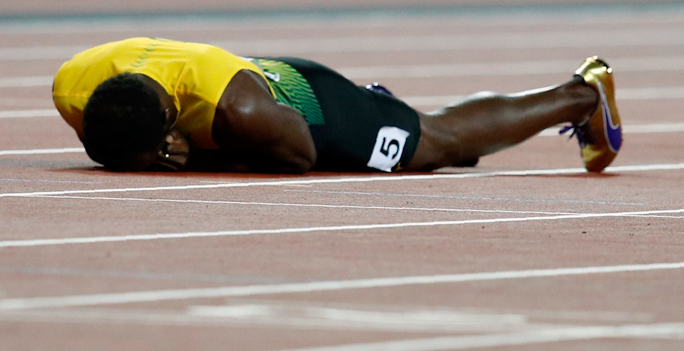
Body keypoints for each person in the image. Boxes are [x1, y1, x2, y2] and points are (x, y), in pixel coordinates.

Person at [52, 37, 620, 174]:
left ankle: (580, 95)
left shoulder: (238, 112)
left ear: (171, 126)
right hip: (249, 77)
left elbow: (299, 154)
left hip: (308, 108)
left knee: (439, 141)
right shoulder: (72, 87)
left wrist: (192, 161)